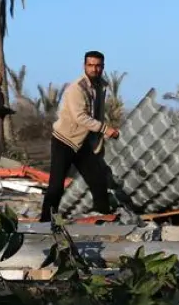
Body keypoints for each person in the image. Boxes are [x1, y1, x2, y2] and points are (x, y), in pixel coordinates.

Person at [39, 50, 120, 222]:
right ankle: (45, 221)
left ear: (103, 67)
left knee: (98, 179)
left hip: (81, 143)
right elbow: (80, 117)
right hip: (64, 140)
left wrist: (97, 141)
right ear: (84, 66)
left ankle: (104, 217)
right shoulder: (77, 88)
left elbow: (97, 113)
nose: (94, 69)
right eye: (90, 65)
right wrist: (105, 129)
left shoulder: (100, 86)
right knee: (56, 185)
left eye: (98, 66)